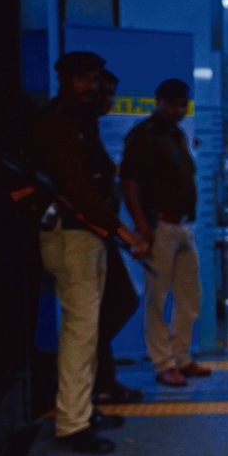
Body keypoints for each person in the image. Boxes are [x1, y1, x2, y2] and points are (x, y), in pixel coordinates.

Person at [26, 50, 148, 454]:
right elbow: (76, 186)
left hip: (88, 235)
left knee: (90, 326)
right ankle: (72, 423)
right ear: (64, 79)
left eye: (93, 79)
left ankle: (83, 407)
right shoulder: (57, 122)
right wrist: (122, 231)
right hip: (72, 234)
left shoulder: (80, 120)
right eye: (82, 79)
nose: (90, 87)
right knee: (81, 330)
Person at [120, 77, 212, 386]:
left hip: (184, 225)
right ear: (159, 102)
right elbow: (129, 182)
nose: (178, 110)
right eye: (172, 103)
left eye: (183, 104)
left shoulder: (176, 135)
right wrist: (142, 227)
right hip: (159, 226)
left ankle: (182, 357)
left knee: (190, 295)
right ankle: (163, 362)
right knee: (157, 298)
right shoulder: (144, 136)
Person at [91, 68, 146, 405]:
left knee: (118, 302)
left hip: (102, 233)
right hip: (86, 233)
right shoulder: (66, 127)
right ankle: (90, 393)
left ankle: (103, 379)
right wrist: (127, 230)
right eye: (102, 91)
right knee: (90, 319)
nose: (108, 100)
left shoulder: (88, 129)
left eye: (111, 93)